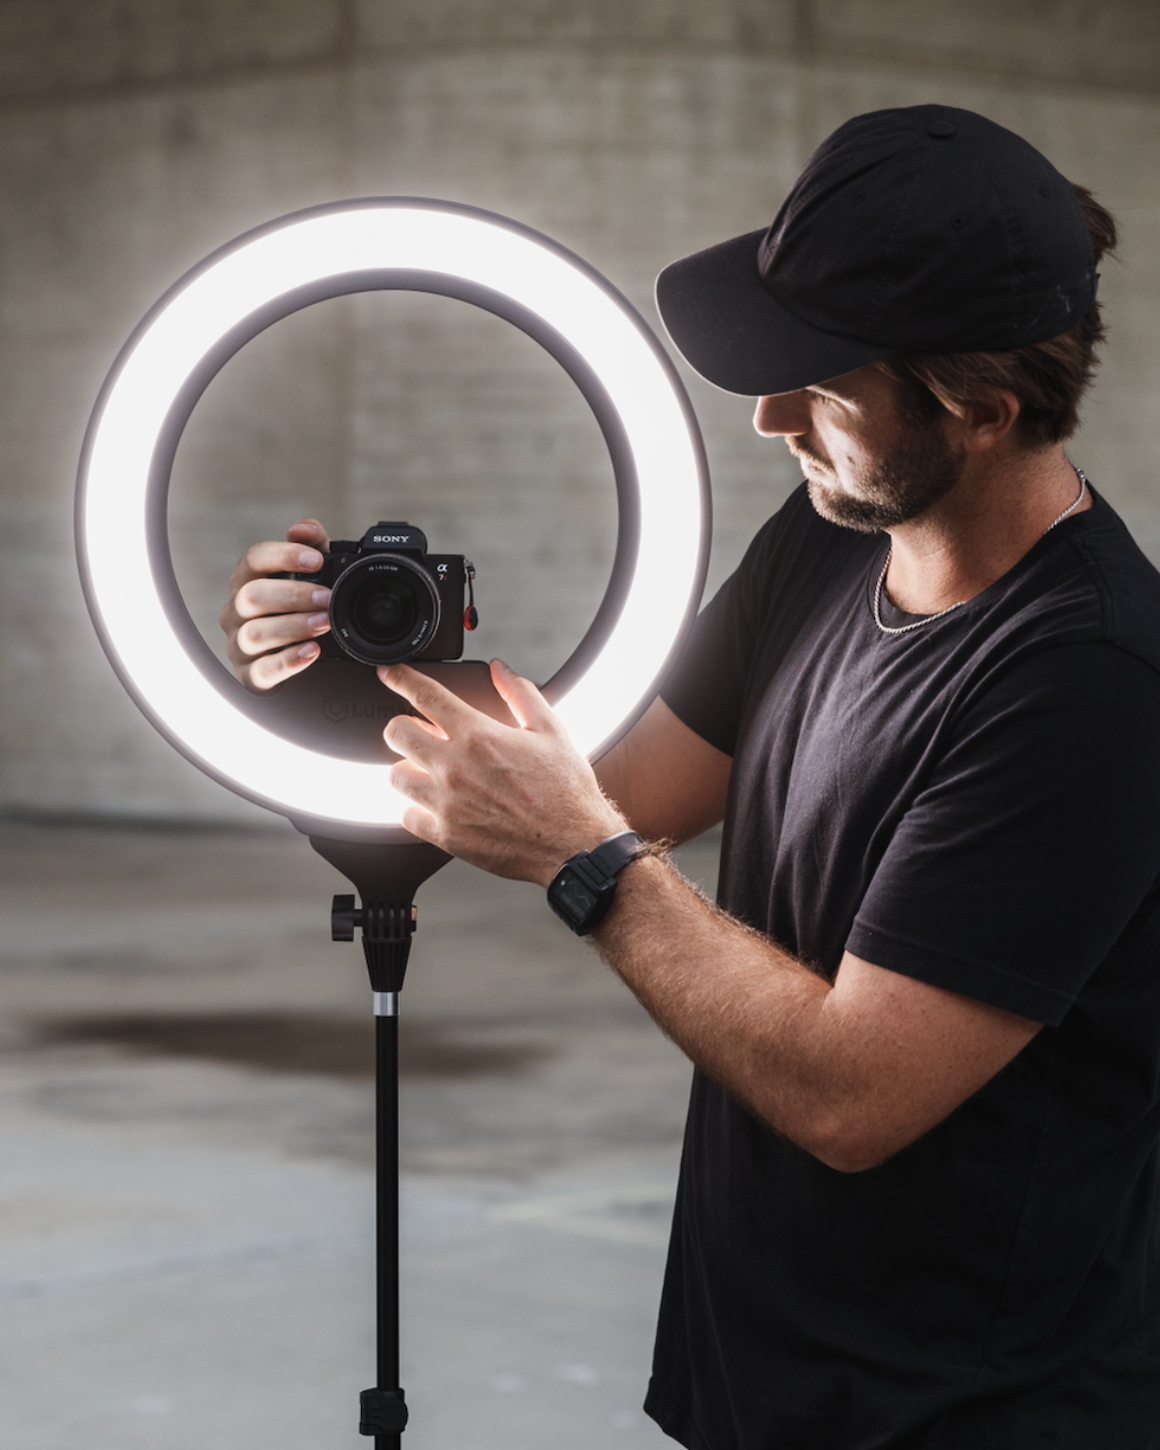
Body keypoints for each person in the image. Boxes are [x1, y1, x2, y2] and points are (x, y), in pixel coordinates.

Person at [221, 105, 1160, 1448]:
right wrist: (342, 664)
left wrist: (584, 865)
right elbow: (623, 781)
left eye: (825, 385)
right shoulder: (834, 537)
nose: (772, 414)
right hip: (758, 1373)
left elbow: (852, 1094)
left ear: (984, 413)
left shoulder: (1092, 684)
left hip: (970, 1410)